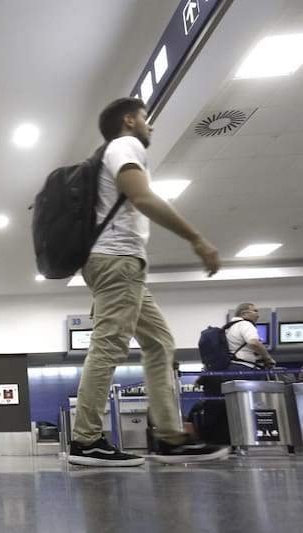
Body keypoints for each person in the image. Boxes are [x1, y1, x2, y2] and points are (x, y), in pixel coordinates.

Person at [68, 97, 229, 467]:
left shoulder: (107, 155)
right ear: (129, 121)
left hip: (119, 266)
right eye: (146, 119)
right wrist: (196, 238)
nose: (150, 126)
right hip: (119, 261)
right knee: (109, 346)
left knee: (159, 342)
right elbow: (140, 196)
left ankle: (170, 436)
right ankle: (86, 439)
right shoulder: (125, 146)